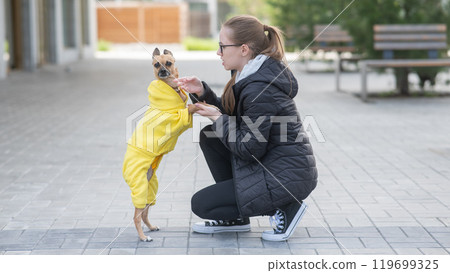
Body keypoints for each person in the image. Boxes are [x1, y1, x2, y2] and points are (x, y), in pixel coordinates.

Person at [175, 15, 318, 241]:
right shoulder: (249, 74)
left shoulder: (260, 88)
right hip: (271, 166)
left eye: (222, 46)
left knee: (202, 204)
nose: (218, 53)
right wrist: (202, 92)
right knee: (211, 135)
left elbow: (249, 148)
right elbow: (236, 119)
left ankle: (287, 206)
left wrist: (218, 118)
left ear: (243, 49)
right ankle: (238, 217)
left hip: (287, 178)